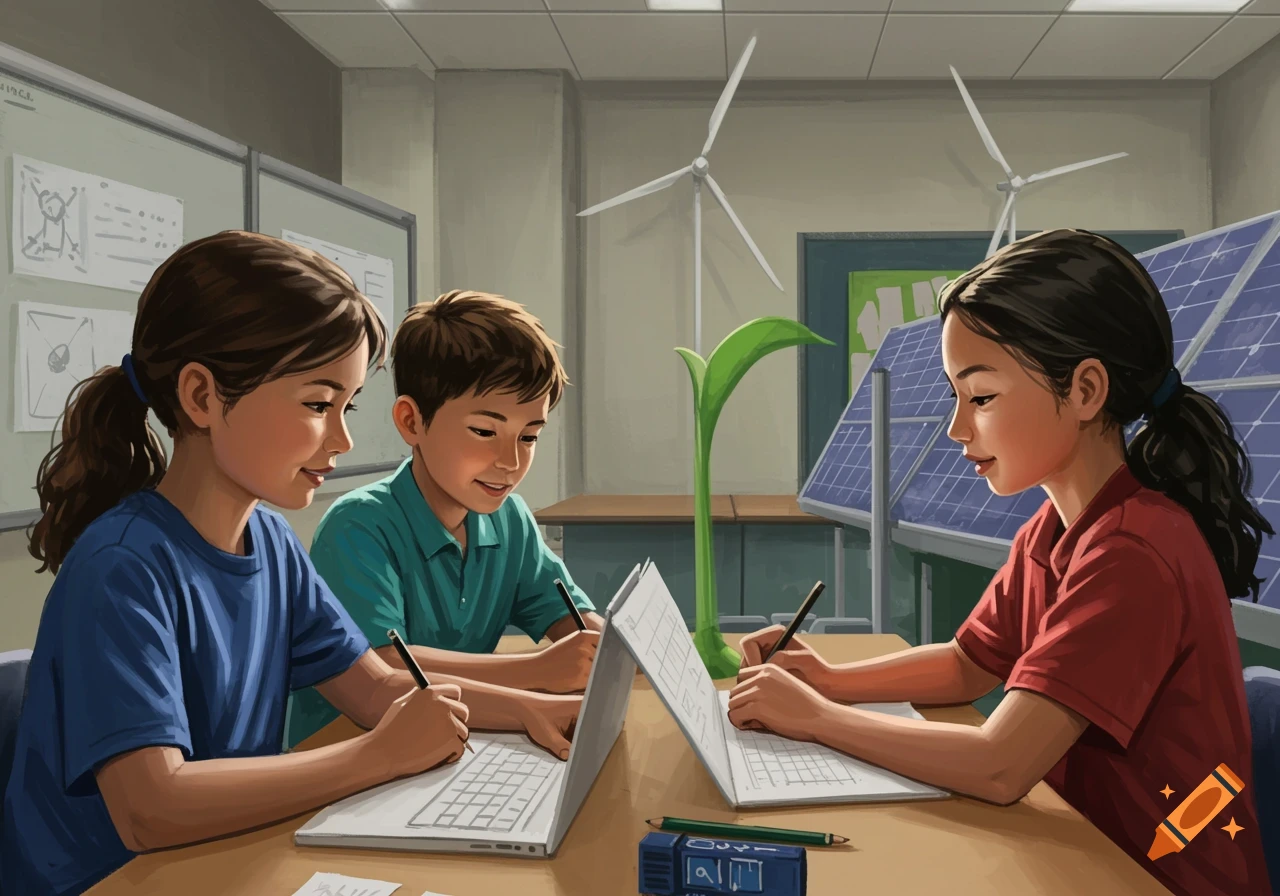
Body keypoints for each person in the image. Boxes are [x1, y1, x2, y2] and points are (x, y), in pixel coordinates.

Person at [2, 234, 581, 896]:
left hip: (222, 861)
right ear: (202, 397)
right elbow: (150, 807)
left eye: (347, 406)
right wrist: (376, 756)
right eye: (316, 404)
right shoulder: (121, 567)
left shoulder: (271, 545)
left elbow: (376, 688)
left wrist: (526, 709)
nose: (342, 439)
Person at [727, 229, 1274, 896]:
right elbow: (969, 665)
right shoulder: (1054, 529)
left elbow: (1000, 764)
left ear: (1085, 390)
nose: (957, 428)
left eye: (981, 397)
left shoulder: (1135, 553)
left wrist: (813, 719)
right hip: (1078, 852)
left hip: (1151, 877)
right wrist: (827, 680)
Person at [292, 290, 601, 748]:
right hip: (345, 752)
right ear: (412, 421)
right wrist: (538, 670)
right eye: (484, 431)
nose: (510, 461)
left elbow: (571, 622)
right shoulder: (357, 526)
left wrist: (607, 645)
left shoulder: (508, 518)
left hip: (456, 739)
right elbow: (385, 670)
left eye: (529, 436)